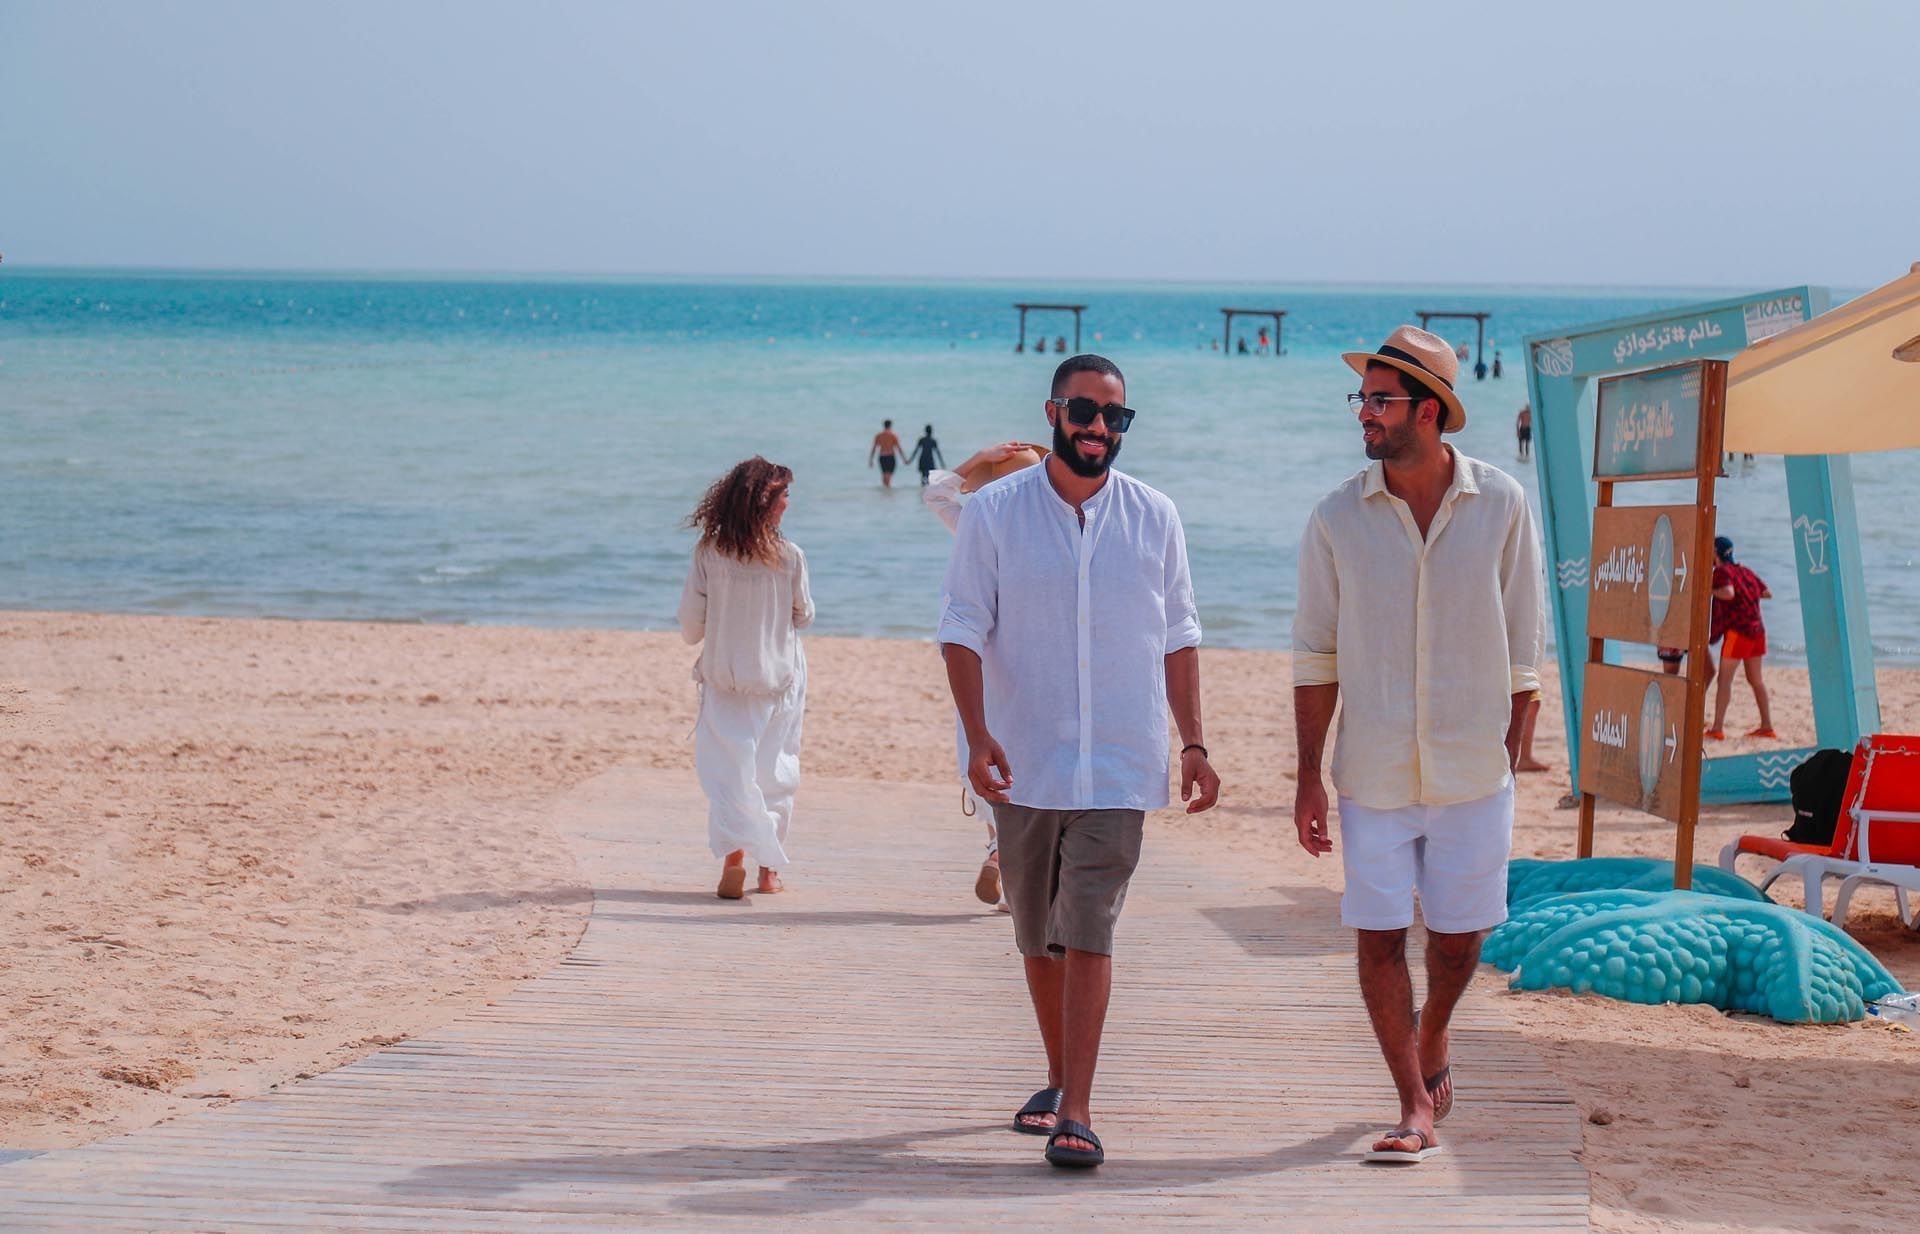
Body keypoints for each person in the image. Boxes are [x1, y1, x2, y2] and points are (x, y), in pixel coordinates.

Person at [940, 354, 1220, 1170]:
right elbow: (960, 626)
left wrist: (1195, 743)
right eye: (1086, 411)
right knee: (1037, 932)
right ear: (1054, 412)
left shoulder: (1156, 516)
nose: (1100, 427)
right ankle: (1060, 1078)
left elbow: (1180, 634)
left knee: (1088, 924)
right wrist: (978, 733)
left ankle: (1080, 1110)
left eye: (1115, 417)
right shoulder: (994, 514)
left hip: (1122, 761)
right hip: (1025, 755)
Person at [1291, 325, 1544, 1166]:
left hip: (1475, 769)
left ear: (1428, 412)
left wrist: (1511, 752)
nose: (1364, 412)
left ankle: (1435, 1033)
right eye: (1361, 397)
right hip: (1373, 769)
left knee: (1459, 940)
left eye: (1380, 398)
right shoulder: (1335, 516)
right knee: (1375, 935)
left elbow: (1523, 651)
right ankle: (1411, 1103)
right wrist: (1307, 779)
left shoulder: (1504, 504)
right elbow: (1315, 654)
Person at [678, 457, 814, 900]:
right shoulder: (790, 556)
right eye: (783, 497)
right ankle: (769, 871)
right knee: (775, 770)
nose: (788, 505)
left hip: (724, 677)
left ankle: (733, 857)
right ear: (765, 504)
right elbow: (804, 615)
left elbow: (690, 624)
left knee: (729, 773)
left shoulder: (708, 552)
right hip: (778, 677)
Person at [924, 441, 1049, 912]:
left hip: (979, 665)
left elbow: (935, 495)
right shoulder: (1047, 532)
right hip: (1029, 667)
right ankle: (1010, 864)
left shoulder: (977, 524)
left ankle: (998, 848)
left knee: (987, 757)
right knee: (1027, 764)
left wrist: (976, 460)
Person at [1705, 535, 1776, 740]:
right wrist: (1747, 594)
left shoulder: (1721, 572)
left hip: (1738, 632)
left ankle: (1717, 728)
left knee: (1724, 680)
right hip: (1757, 631)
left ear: (1716, 552)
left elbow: (1728, 593)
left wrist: (1708, 591)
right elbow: (1767, 593)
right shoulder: (1745, 571)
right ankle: (1767, 726)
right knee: (1756, 680)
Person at [869, 420, 903, 488]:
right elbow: (899, 448)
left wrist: (871, 459)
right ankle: (887, 490)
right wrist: (904, 459)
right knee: (888, 475)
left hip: (882, 456)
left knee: (884, 474)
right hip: (890, 456)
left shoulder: (879, 435)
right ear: (890, 425)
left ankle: (885, 490)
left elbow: (874, 448)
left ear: (884, 425)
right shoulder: (893, 435)